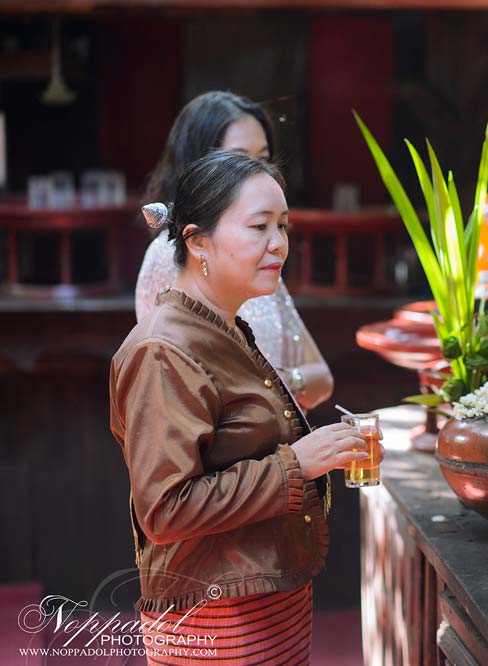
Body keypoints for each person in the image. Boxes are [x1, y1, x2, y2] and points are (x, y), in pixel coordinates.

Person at [111, 152, 379, 663]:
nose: (278, 243)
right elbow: (166, 510)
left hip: (264, 598)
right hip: (215, 621)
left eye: (283, 226)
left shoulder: (224, 325)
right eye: (259, 227)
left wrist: (323, 453)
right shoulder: (162, 349)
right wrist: (297, 465)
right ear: (197, 241)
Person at [135, 90, 333, 410]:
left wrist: (277, 382)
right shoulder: (168, 258)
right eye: (239, 159)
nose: (255, 172)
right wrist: (271, 387)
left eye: (263, 159)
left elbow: (322, 377)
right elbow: (175, 396)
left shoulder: (261, 257)